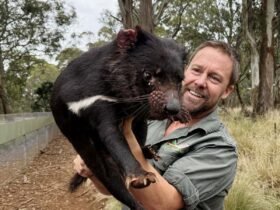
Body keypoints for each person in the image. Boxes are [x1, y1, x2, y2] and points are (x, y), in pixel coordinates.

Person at [73, 40, 239, 210]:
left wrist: (123, 128)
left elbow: (161, 204)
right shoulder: (150, 119)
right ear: (184, 71)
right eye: (196, 70)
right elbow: (115, 187)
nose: (200, 82)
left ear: (227, 91)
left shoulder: (220, 148)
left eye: (214, 78)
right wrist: (93, 168)